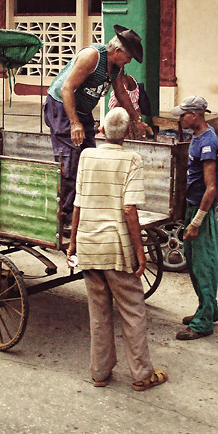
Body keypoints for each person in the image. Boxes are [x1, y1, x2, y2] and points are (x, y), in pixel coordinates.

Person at [67, 107, 168, 392]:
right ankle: (141, 374)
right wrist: (140, 252)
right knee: (133, 312)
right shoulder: (132, 159)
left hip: (89, 244)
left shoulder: (88, 155)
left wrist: (73, 243)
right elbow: (129, 209)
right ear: (127, 134)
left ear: (102, 131)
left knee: (98, 313)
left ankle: (100, 372)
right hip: (116, 248)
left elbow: (78, 203)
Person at [45, 25, 150, 223]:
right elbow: (67, 88)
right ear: (118, 51)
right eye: (128, 57)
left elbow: (120, 93)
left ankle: (81, 211)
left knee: (90, 159)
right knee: (71, 161)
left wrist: (137, 120)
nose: (129, 61)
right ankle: (64, 219)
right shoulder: (92, 56)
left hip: (82, 111)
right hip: (61, 107)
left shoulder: (117, 67)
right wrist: (74, 123)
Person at [171, 96, 218, 340]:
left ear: (196, 115)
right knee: (195, 261)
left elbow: (211, 187)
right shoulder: (196, 137)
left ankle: (203, 323)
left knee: (203, 265)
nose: (180, 119)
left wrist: (197, 221)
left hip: (201, 209)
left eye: (183, 115)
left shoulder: (208, 142)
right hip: (192, 206)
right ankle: (208, 308)